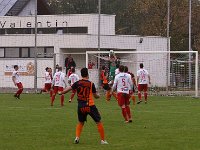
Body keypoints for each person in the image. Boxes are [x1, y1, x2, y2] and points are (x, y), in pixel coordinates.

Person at [60, 68, 108, 144]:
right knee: (98, 122)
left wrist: (61, 92)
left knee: (80, 122)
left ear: (81, 74)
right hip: (90, 105)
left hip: (81, 106)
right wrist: (99, 96)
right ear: (87, 74)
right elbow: (95, 96)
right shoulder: (91, 83)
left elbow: (69, 88)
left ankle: (77, 137)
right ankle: (102, 140)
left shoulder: (77, 83)